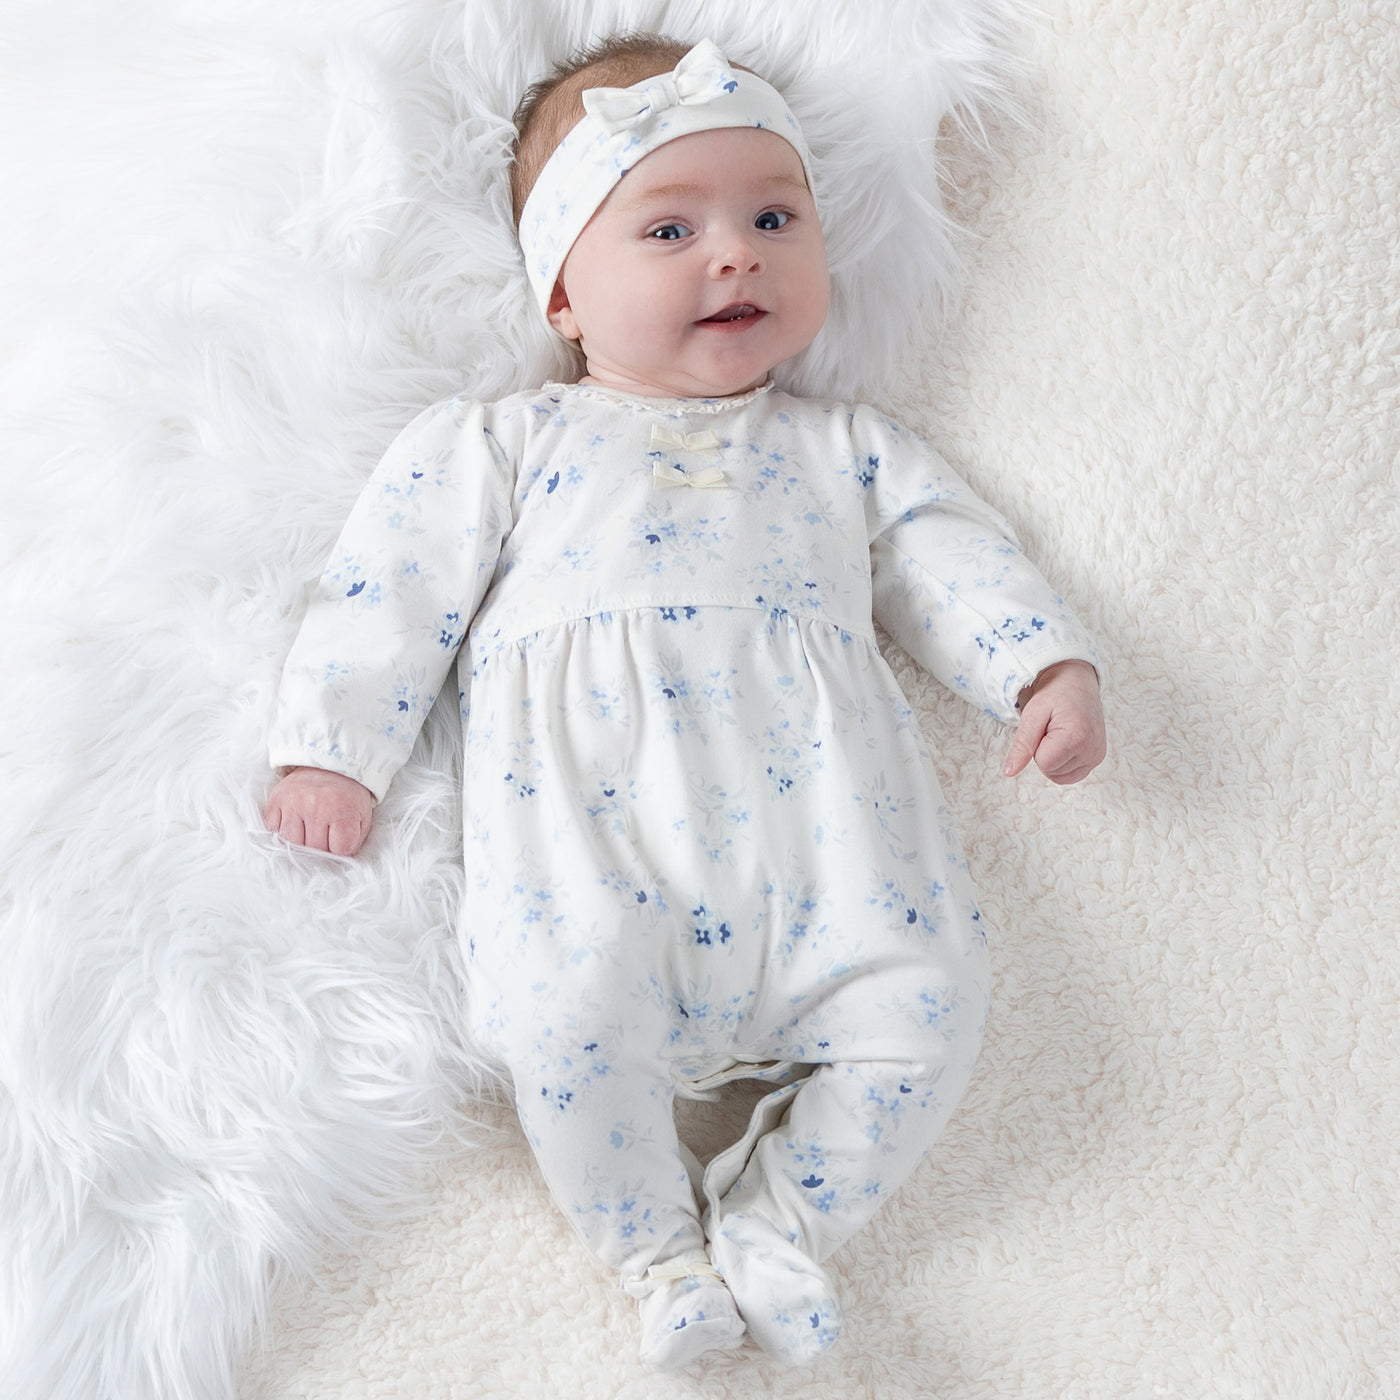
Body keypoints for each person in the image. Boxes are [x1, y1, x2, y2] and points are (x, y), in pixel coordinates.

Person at [263, 35, 1106, 1371]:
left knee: (931, 1000)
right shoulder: (504, 445)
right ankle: (655, 1255)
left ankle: (781, 1223)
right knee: (557, 1020)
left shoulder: (847, 450)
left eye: (775, 219)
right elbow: (389, 589)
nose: (736, 257)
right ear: (563, 293)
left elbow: (949, 554)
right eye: (670, 229)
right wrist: (334, 750)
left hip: (833, 850)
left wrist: (1039, 665)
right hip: (593, 858)